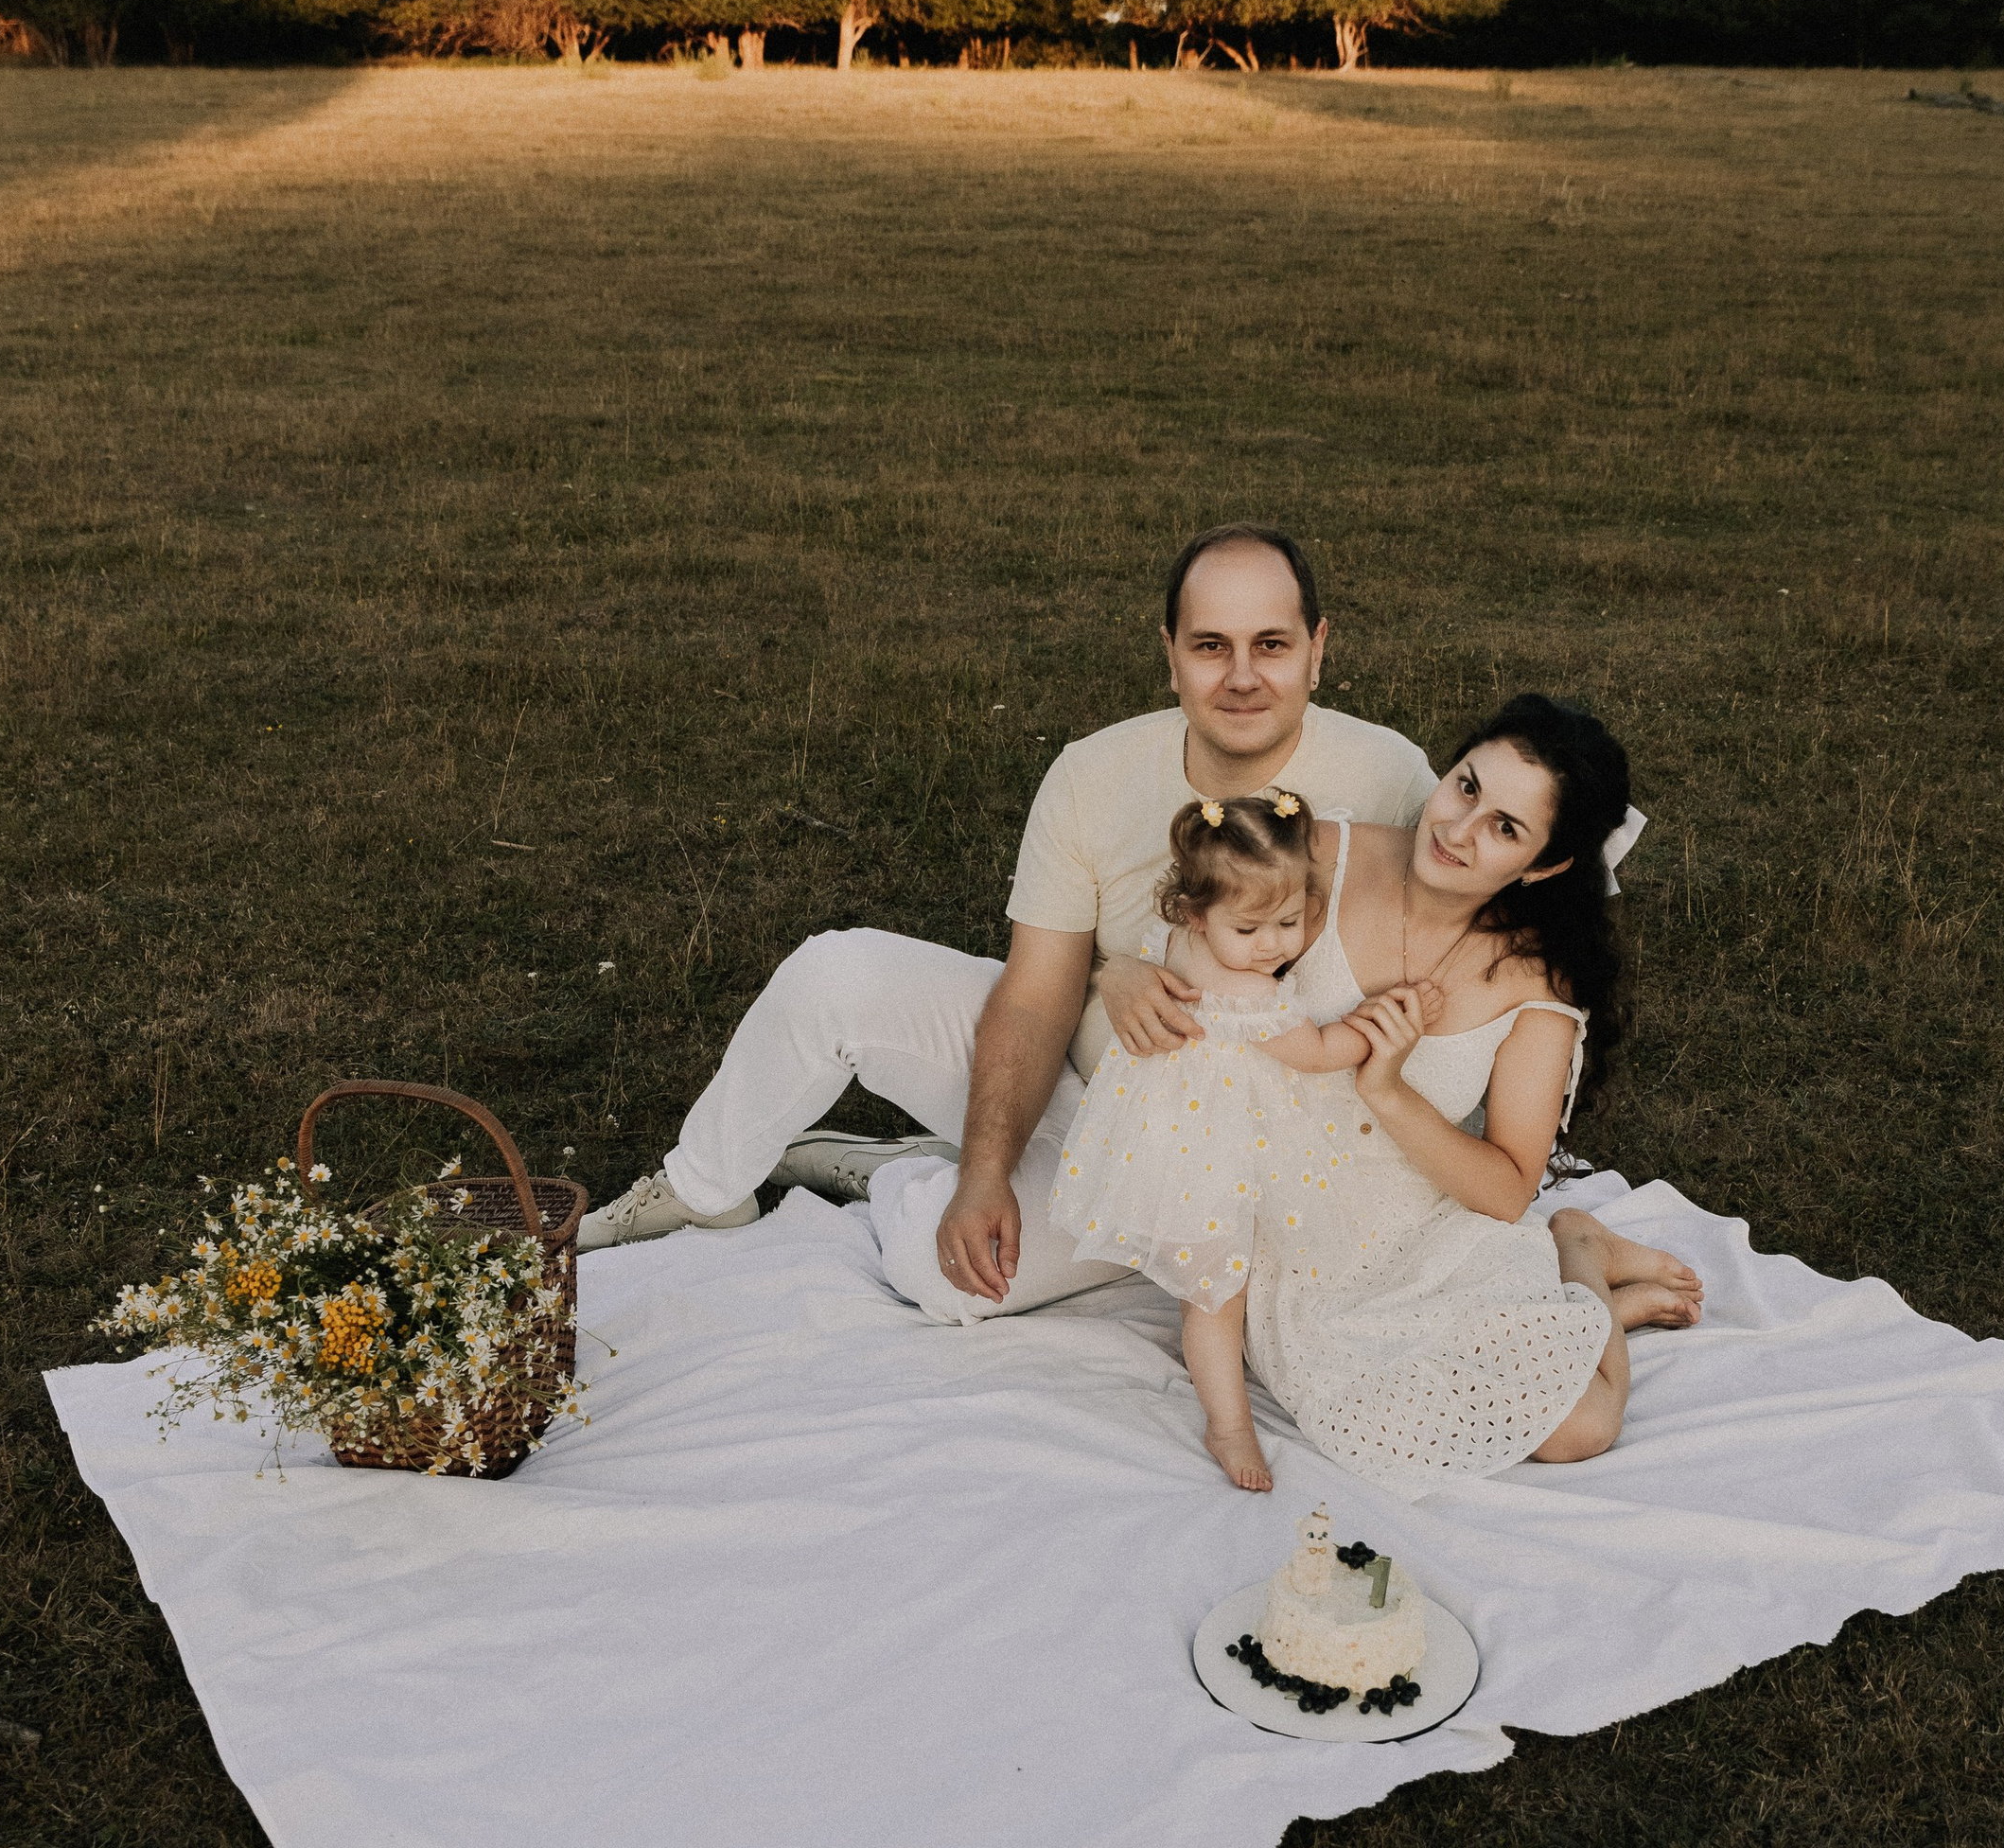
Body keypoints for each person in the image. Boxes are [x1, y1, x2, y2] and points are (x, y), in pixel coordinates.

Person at [576, 528, 1438, 1318]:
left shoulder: (1393, 780)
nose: (1242, 676)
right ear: (1169, 655)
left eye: (1272, 646)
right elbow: (1033, 998)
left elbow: (1447, 979)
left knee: (940, 1276)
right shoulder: (1092, 773)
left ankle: (891, 1169)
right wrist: (996, 1160)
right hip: (1075, 1088)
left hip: (1211, 1163)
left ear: (1318, 652)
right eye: (1211, 646)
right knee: (834, 974)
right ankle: (704, 1186)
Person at [1226, 694, 1704, 1494]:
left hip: (1423, 1220)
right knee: (1371, 1408)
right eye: (1468, 787)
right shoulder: (1320, 855)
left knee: (1580, 1426)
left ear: (1544, 865)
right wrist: (1138, 974)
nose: (1458, 829)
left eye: (1506, 829)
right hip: (1287, 1230)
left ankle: (1580, 1257)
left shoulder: (1533, 984)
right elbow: (1196, 937)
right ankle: (1591, 1311)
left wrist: (1388, 1088)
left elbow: (1511, 1187)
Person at [1050, 788, 1382, 1489]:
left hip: (1174, 1134)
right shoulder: (1252, 994)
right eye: (1252, 929)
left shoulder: (1176, 941)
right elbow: (1315, 1052)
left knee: (1229, 1278)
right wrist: (1373, 1029)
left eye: (1290, 922)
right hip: (1214, 1150)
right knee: (1215, 1292)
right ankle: (1228, 1423)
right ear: (1197, 914)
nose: (1273, 946)